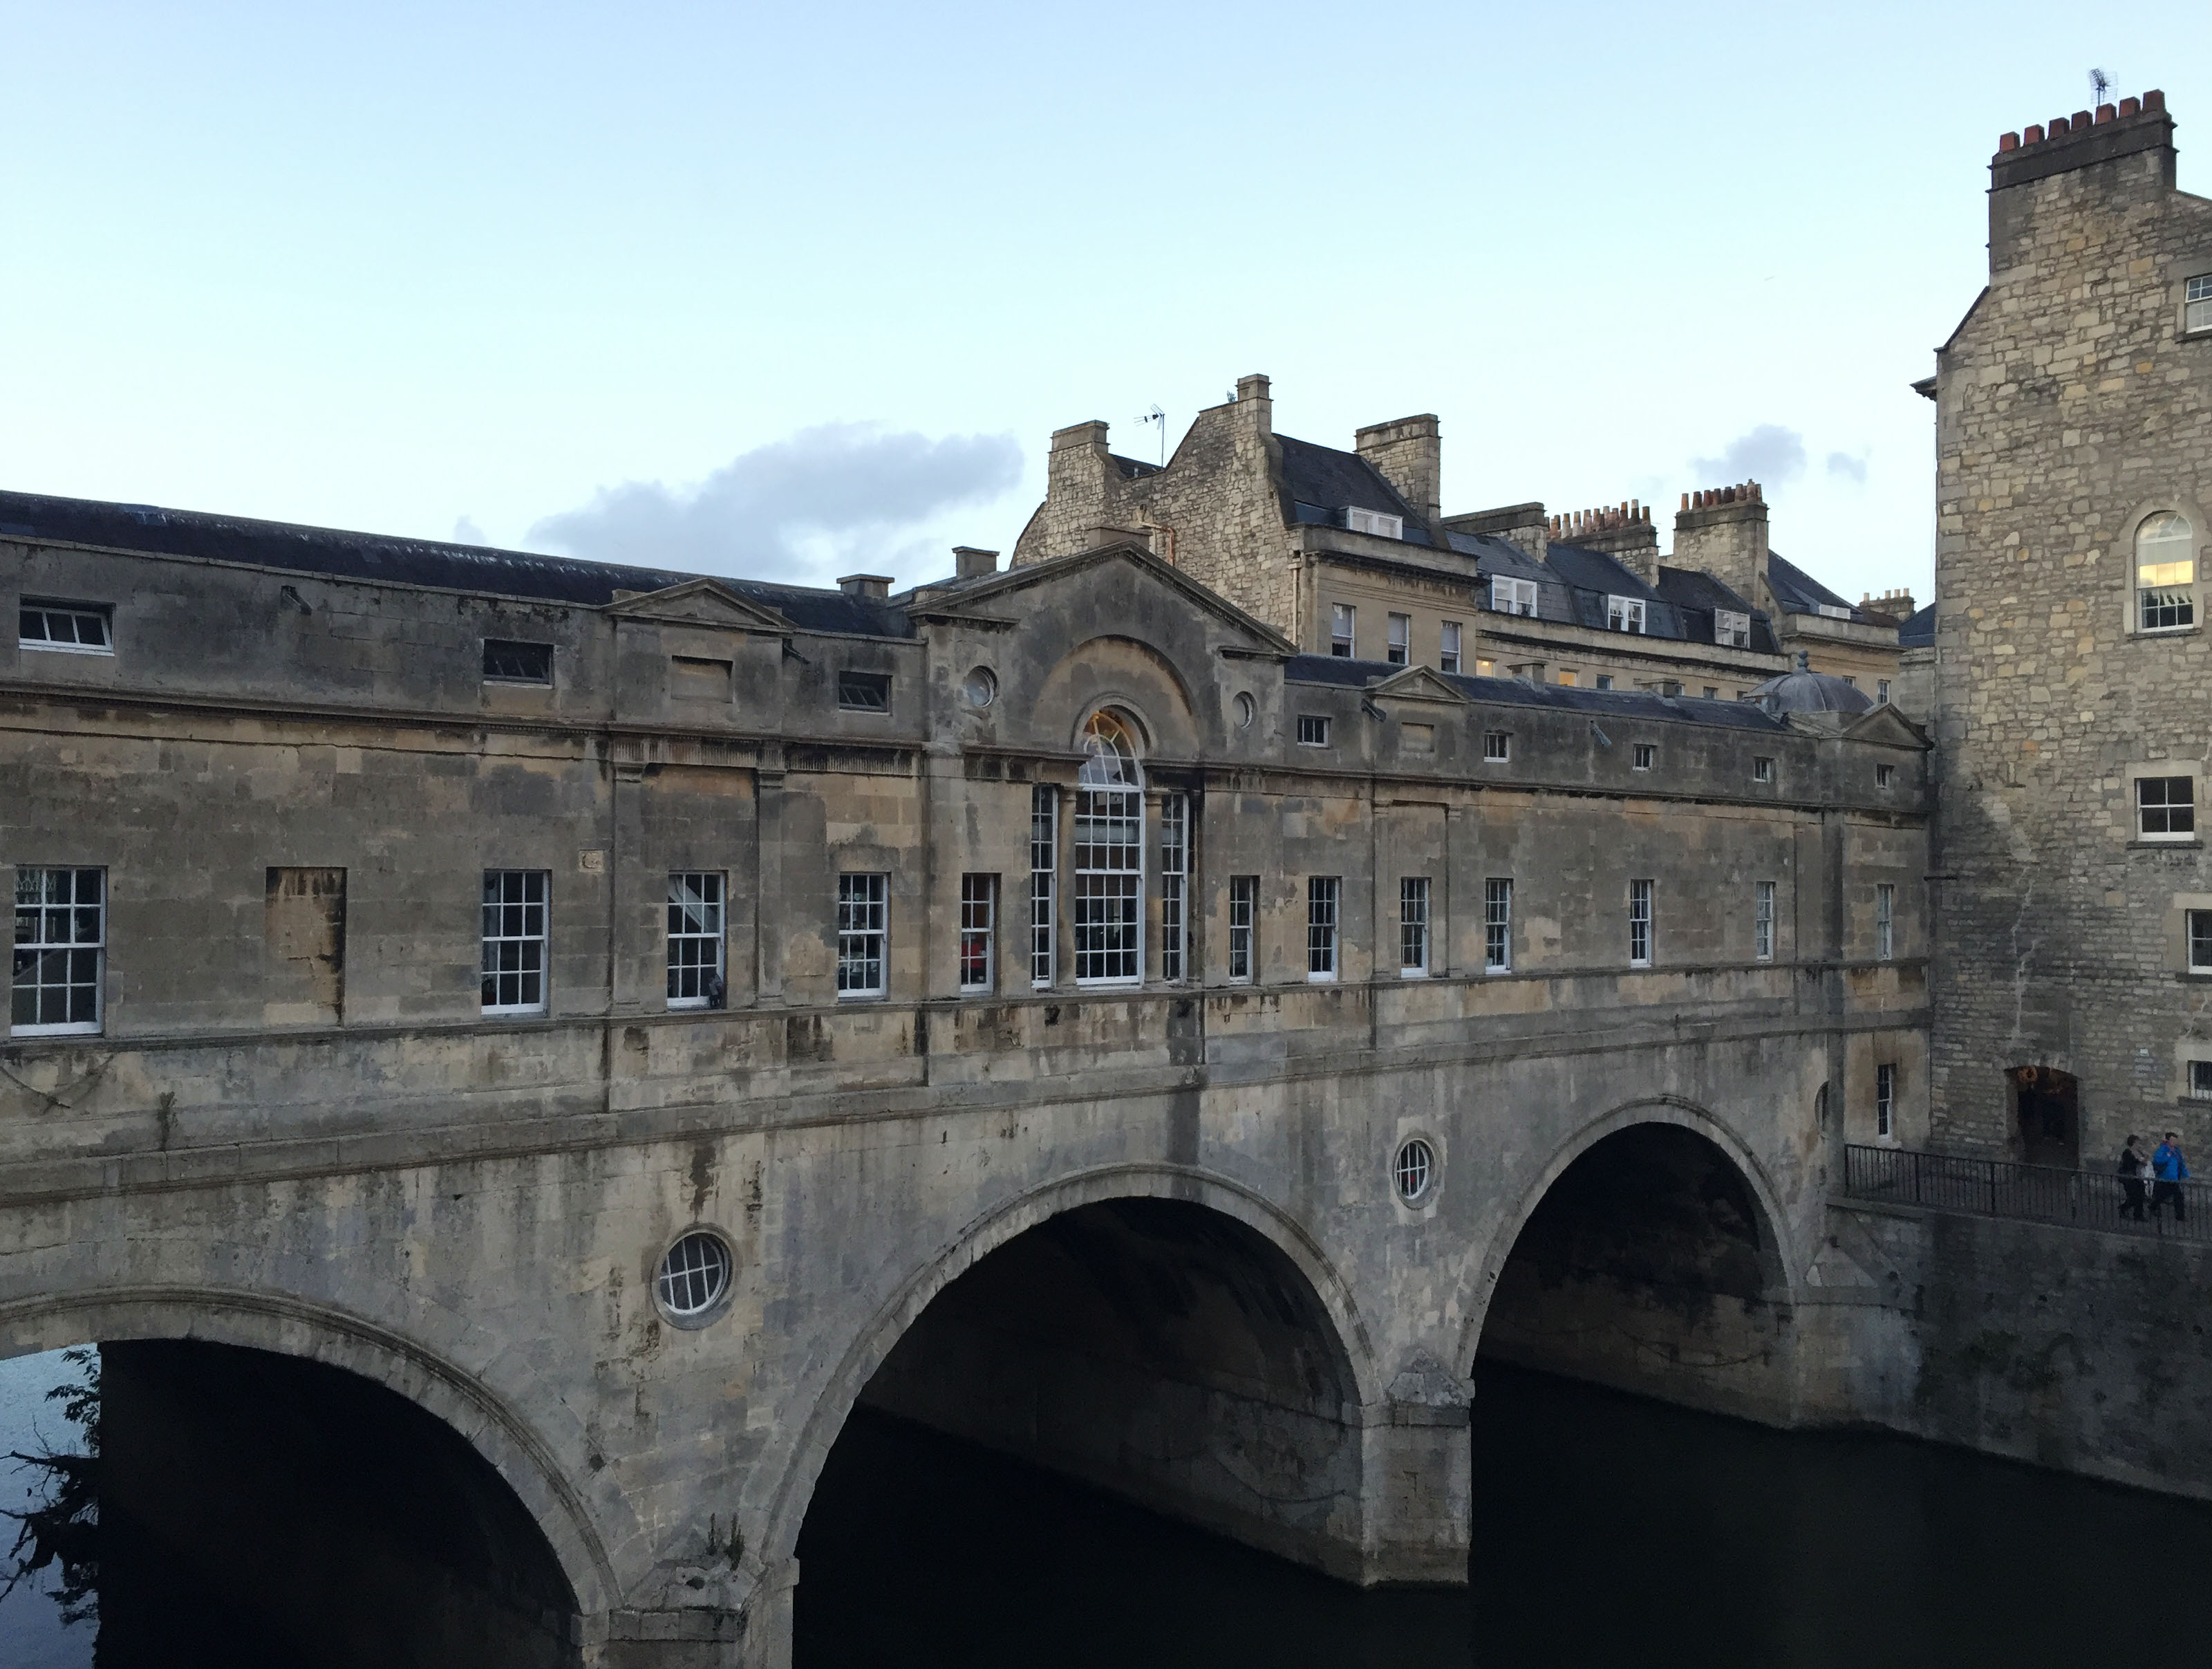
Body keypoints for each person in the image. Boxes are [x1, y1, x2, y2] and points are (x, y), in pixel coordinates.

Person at [2150, 1130, 2191, 1224]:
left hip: (2174, 1178)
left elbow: (2181, 1164)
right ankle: (2153, 1206)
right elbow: (2157, 1161)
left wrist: (2186, 1174)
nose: (2174, 1142)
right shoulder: (2163, 1149)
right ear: (2168, 1140)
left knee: (2178, 1196)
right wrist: (2167, 1157)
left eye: (2175, 1140)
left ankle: (2180, 1216)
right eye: (2172, 1140)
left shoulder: (2177, 1151)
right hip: (2164, 1178)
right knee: (2163, 1196)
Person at [2118, 1134, 2149, 1221]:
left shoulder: (2139, 1153)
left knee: (2141, 1196)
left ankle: (2138, 1215)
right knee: (2133, 1197)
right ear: (2134, 1143)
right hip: (2129, 1177)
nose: (2139, 1145)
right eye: (2138, 1143)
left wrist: (2144, 1158)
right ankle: (2123, 1208)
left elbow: (2145, 1163)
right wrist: (2139, 1160)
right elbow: (2129, 1164)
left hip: (2138, 1177)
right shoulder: (2127, 1152)